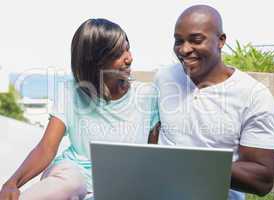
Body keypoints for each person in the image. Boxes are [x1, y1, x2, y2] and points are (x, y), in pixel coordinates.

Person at [0, 18, 159, 200]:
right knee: (72, 180)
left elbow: (151, 158)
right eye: (117, 54)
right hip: (69, 179)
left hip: (119, 188)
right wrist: (12, 183)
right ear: (96, 62)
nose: (129, 58)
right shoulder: (70, 90)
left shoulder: (147, 96)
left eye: (128, 48)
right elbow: (46, 148)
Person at [152, 5, 274, 200]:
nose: (184, 49)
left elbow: (262, 179)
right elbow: (155, 130)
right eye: (178, 41)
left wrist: (189, 164)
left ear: (221, 41)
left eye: (196, 40)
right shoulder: (164, 77)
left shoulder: (254, 95)